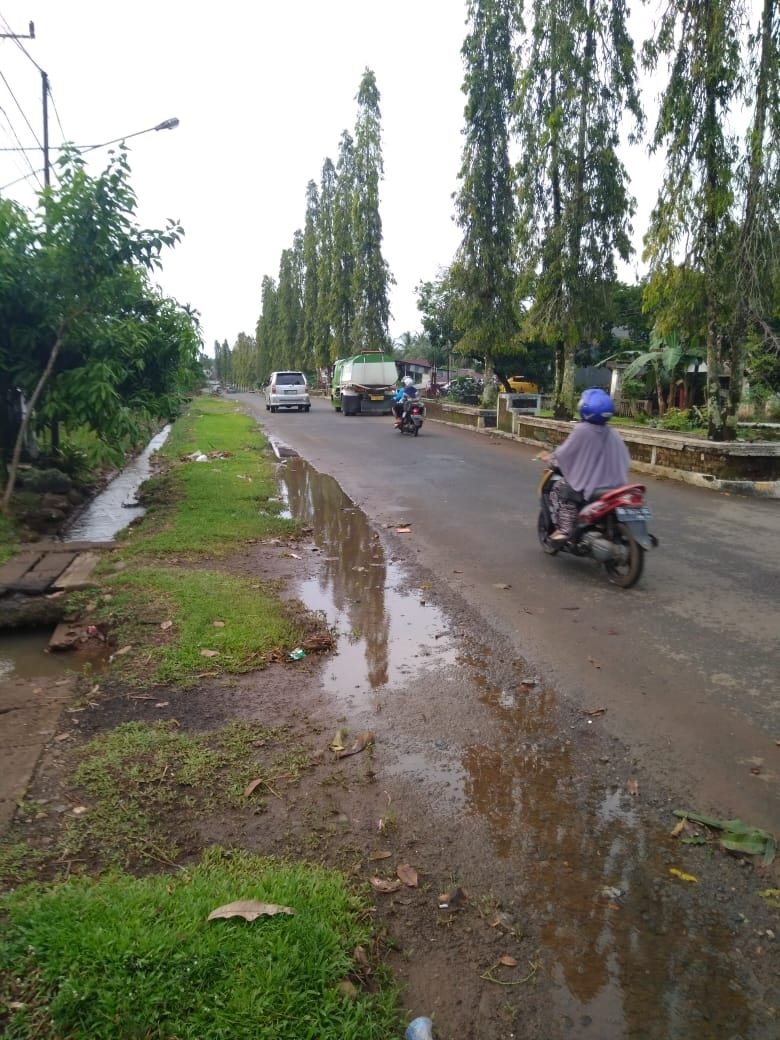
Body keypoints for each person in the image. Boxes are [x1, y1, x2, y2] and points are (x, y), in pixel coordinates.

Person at [539, 387, 630, 543]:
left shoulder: (582, 430)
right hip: (616, 484)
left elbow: (565, 453)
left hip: (591, 485)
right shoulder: (613, 432)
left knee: (560, 488)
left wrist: (550, 457)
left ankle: (564, 529)